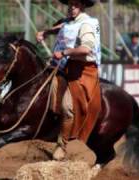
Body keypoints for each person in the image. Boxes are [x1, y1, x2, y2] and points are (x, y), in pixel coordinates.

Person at [36, 0, 101, 160]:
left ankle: (62, 145)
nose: (72, 7)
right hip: (67, 66)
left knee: (67, 107)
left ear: (83, 6)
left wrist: (64, 52)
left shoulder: (86, 24)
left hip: (83, 71)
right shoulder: (70, 21)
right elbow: (61, 27)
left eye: (76, 4)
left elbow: (86, 49)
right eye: (70, 4)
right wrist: (45, 32)